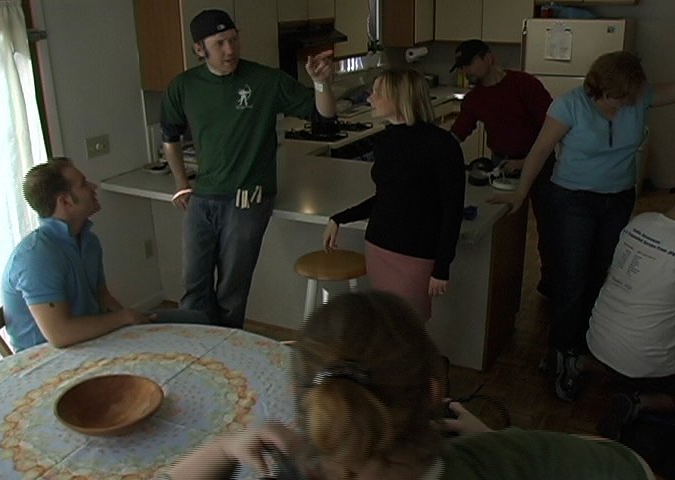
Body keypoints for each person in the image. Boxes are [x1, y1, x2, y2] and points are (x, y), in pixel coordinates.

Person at [161, 291, 655, 480]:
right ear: (436, 395)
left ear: (316, 412)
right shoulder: (491, 462)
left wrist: (228, 448)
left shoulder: (293, 474)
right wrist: (499, 440)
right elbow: (616, 460)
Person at [490, 51, 675, 402]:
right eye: (620, 98)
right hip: (573, 201)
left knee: (600, 273)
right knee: (571, 278)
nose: (626, 104)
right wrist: (520, 193)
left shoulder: (638, 97)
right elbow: (540, 150)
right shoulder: (569, 106)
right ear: (601, 88)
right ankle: (562, 351)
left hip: (617, 199)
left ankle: (586, 349)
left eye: (631, 97)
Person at [160, 9, 336, 329]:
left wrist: (322, 84)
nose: (230, 50)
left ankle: (227, 352)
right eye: (219, 43)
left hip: (248, 199)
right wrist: (181, 183)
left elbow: (323, 118)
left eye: (233, 40)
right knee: (193, 286)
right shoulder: (184, 86)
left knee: (231, 290)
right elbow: (169, 136)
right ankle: (196, 352)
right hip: (203, 197)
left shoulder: (265, 80)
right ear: (200, 49)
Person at [2, 158, 206, 352]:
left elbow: (103, 298)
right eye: (83, 184)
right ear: (65, 201)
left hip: (93, 337)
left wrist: (136, 329)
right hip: (53, 357)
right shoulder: (38, 257)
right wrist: (125, 318)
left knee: (199, 321)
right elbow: (60, 334)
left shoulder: (88, 241)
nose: (93, 187)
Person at [322, 69, 465, 320]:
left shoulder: (442, 145)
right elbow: (387, 198)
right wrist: (339, 218)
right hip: (379, 246)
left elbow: (452, 210)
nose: (370, 98)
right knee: (385, 324)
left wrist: (442, 267)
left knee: (408, 327)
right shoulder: (385, 141)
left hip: (416, 253)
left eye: (377, 92)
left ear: (399, 97)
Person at [552, 202, 675, 438]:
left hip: (597, 337)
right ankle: (642, 402)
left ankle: (579, 363)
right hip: (642, 360)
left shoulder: (640, 222)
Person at [449, 39, 555, 297]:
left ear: (489, 58)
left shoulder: (525, 85)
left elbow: (552, 127)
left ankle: (552, 282)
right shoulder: (475, 99)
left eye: (469, 65)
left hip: (540, 162)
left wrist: (525, 162)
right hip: (501, 166)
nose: (466, 72)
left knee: (549, 225)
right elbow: (459, 132)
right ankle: (502, 289)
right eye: (461, 68)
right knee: (502, 227)